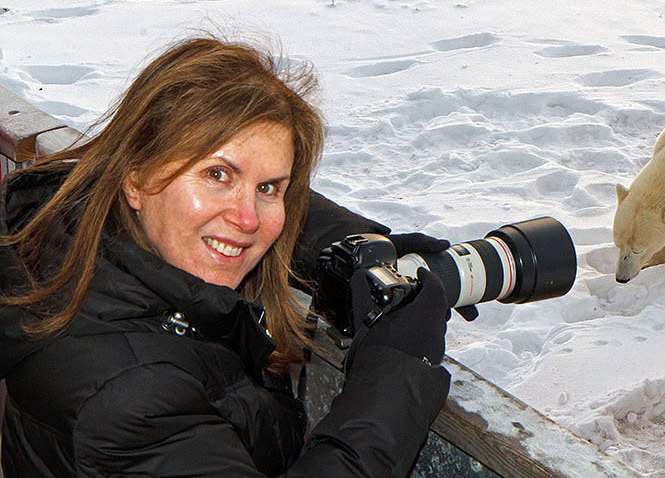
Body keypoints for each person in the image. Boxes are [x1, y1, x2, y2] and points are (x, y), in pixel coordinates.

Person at [0, 36, 453, 477]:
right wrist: (396, 372)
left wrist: (353, 243)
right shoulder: (131, 399)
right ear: (135, 176)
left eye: (268, 188)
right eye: (217, 174)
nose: (248, 218)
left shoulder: (63, 234)